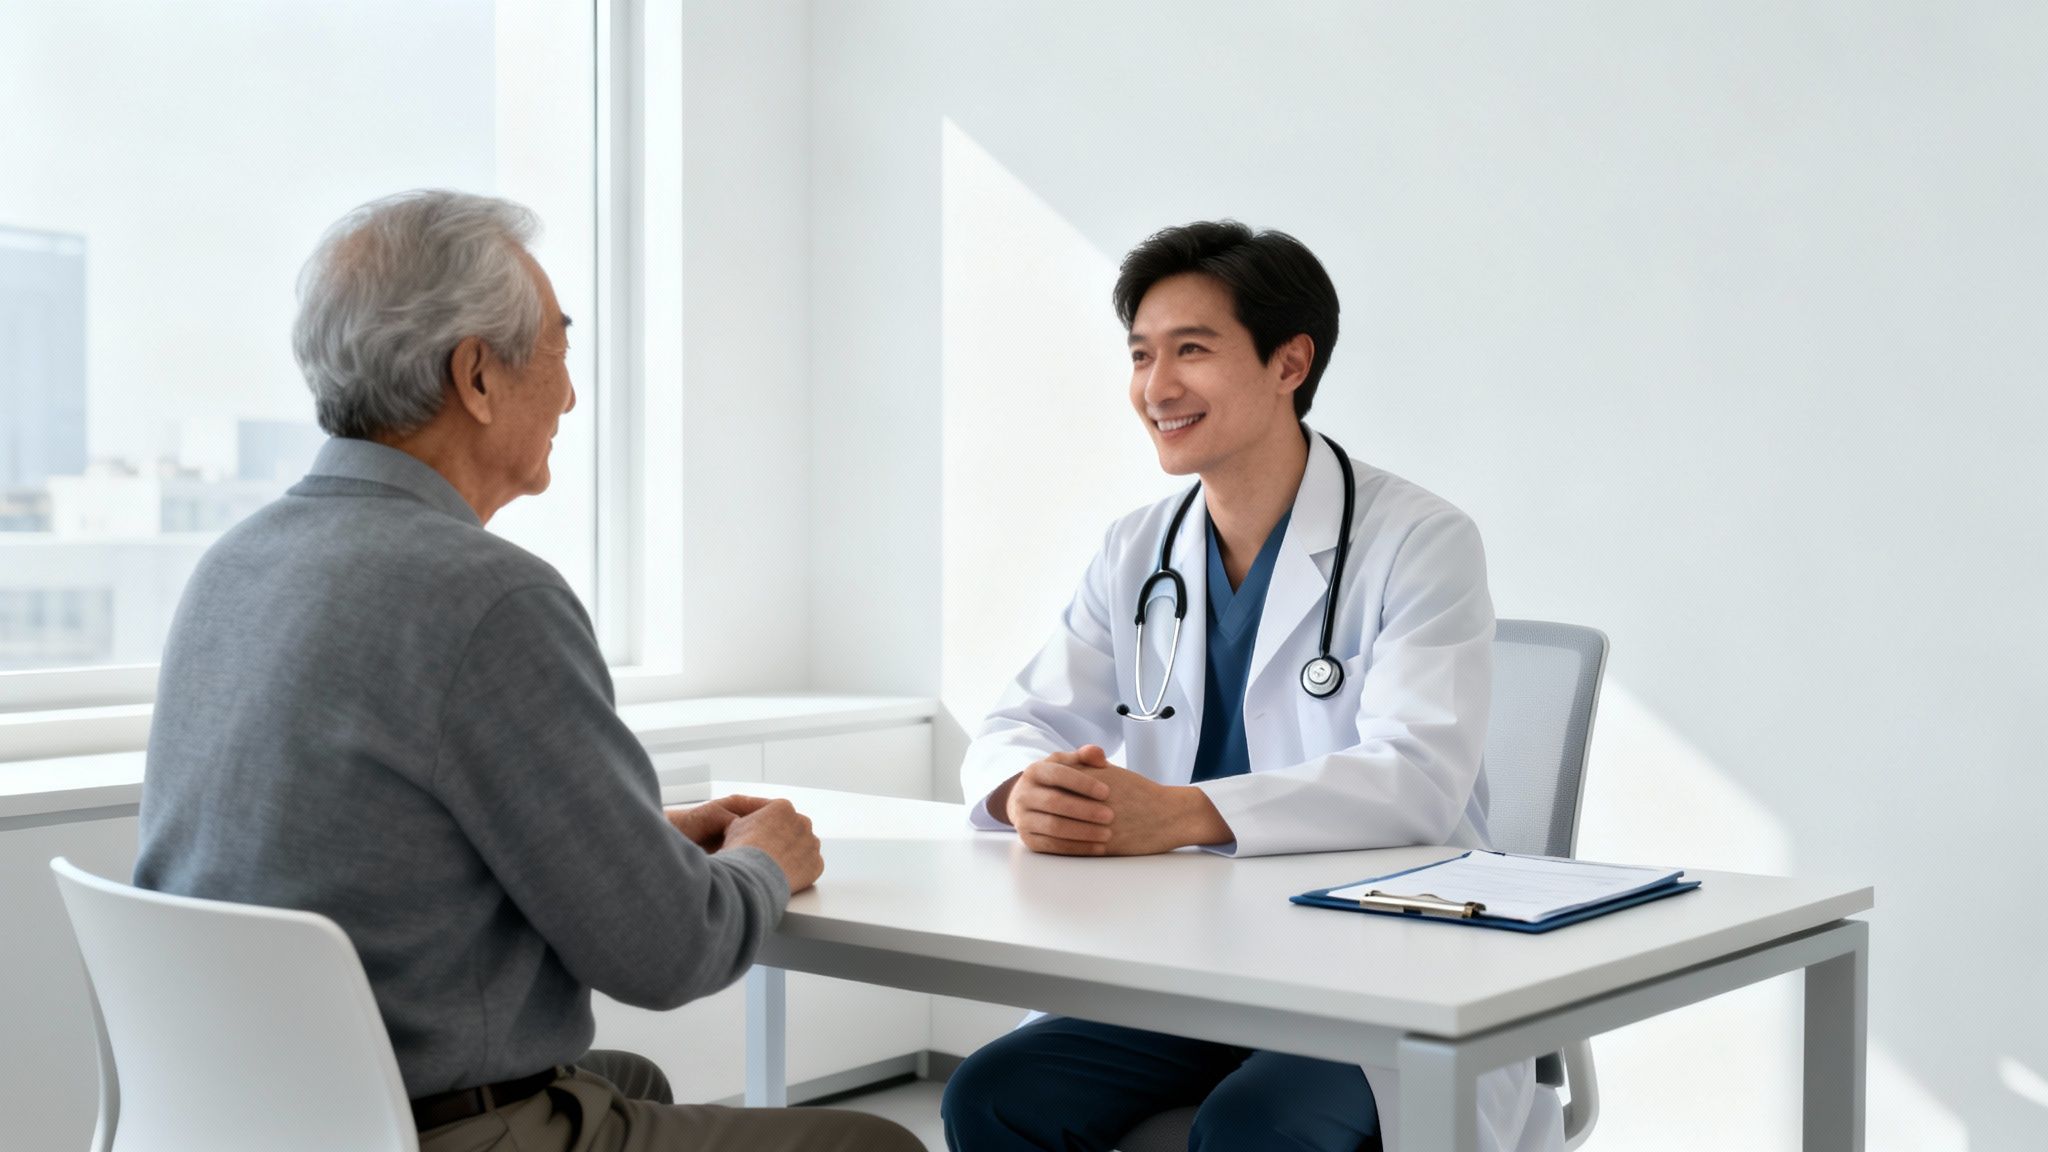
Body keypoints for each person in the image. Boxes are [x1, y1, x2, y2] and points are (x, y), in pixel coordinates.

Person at [133, 190, 919, 1152]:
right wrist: (767, 863)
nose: (572, 395)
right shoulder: (487, 597)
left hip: (248, 1116)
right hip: (406, 1129)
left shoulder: (235, 565)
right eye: (558, 348)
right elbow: (670, 954)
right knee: (875, 1144)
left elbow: (350, 836)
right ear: (476, 375)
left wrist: (637, 837)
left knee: (628, 1081)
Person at [940, 221, 1562, 1152]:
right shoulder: (1138, 548)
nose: (1158, 388)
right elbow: (1020, 717)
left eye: (1193, 350)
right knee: (992, 1095)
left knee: (1255, 1127)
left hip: (1378, 970)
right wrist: (1025, 786)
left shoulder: (1419, 542)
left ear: (1290, 362)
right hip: (1193, 968)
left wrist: (1182, 813)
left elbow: (1417, 778)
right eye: (1143, 355)